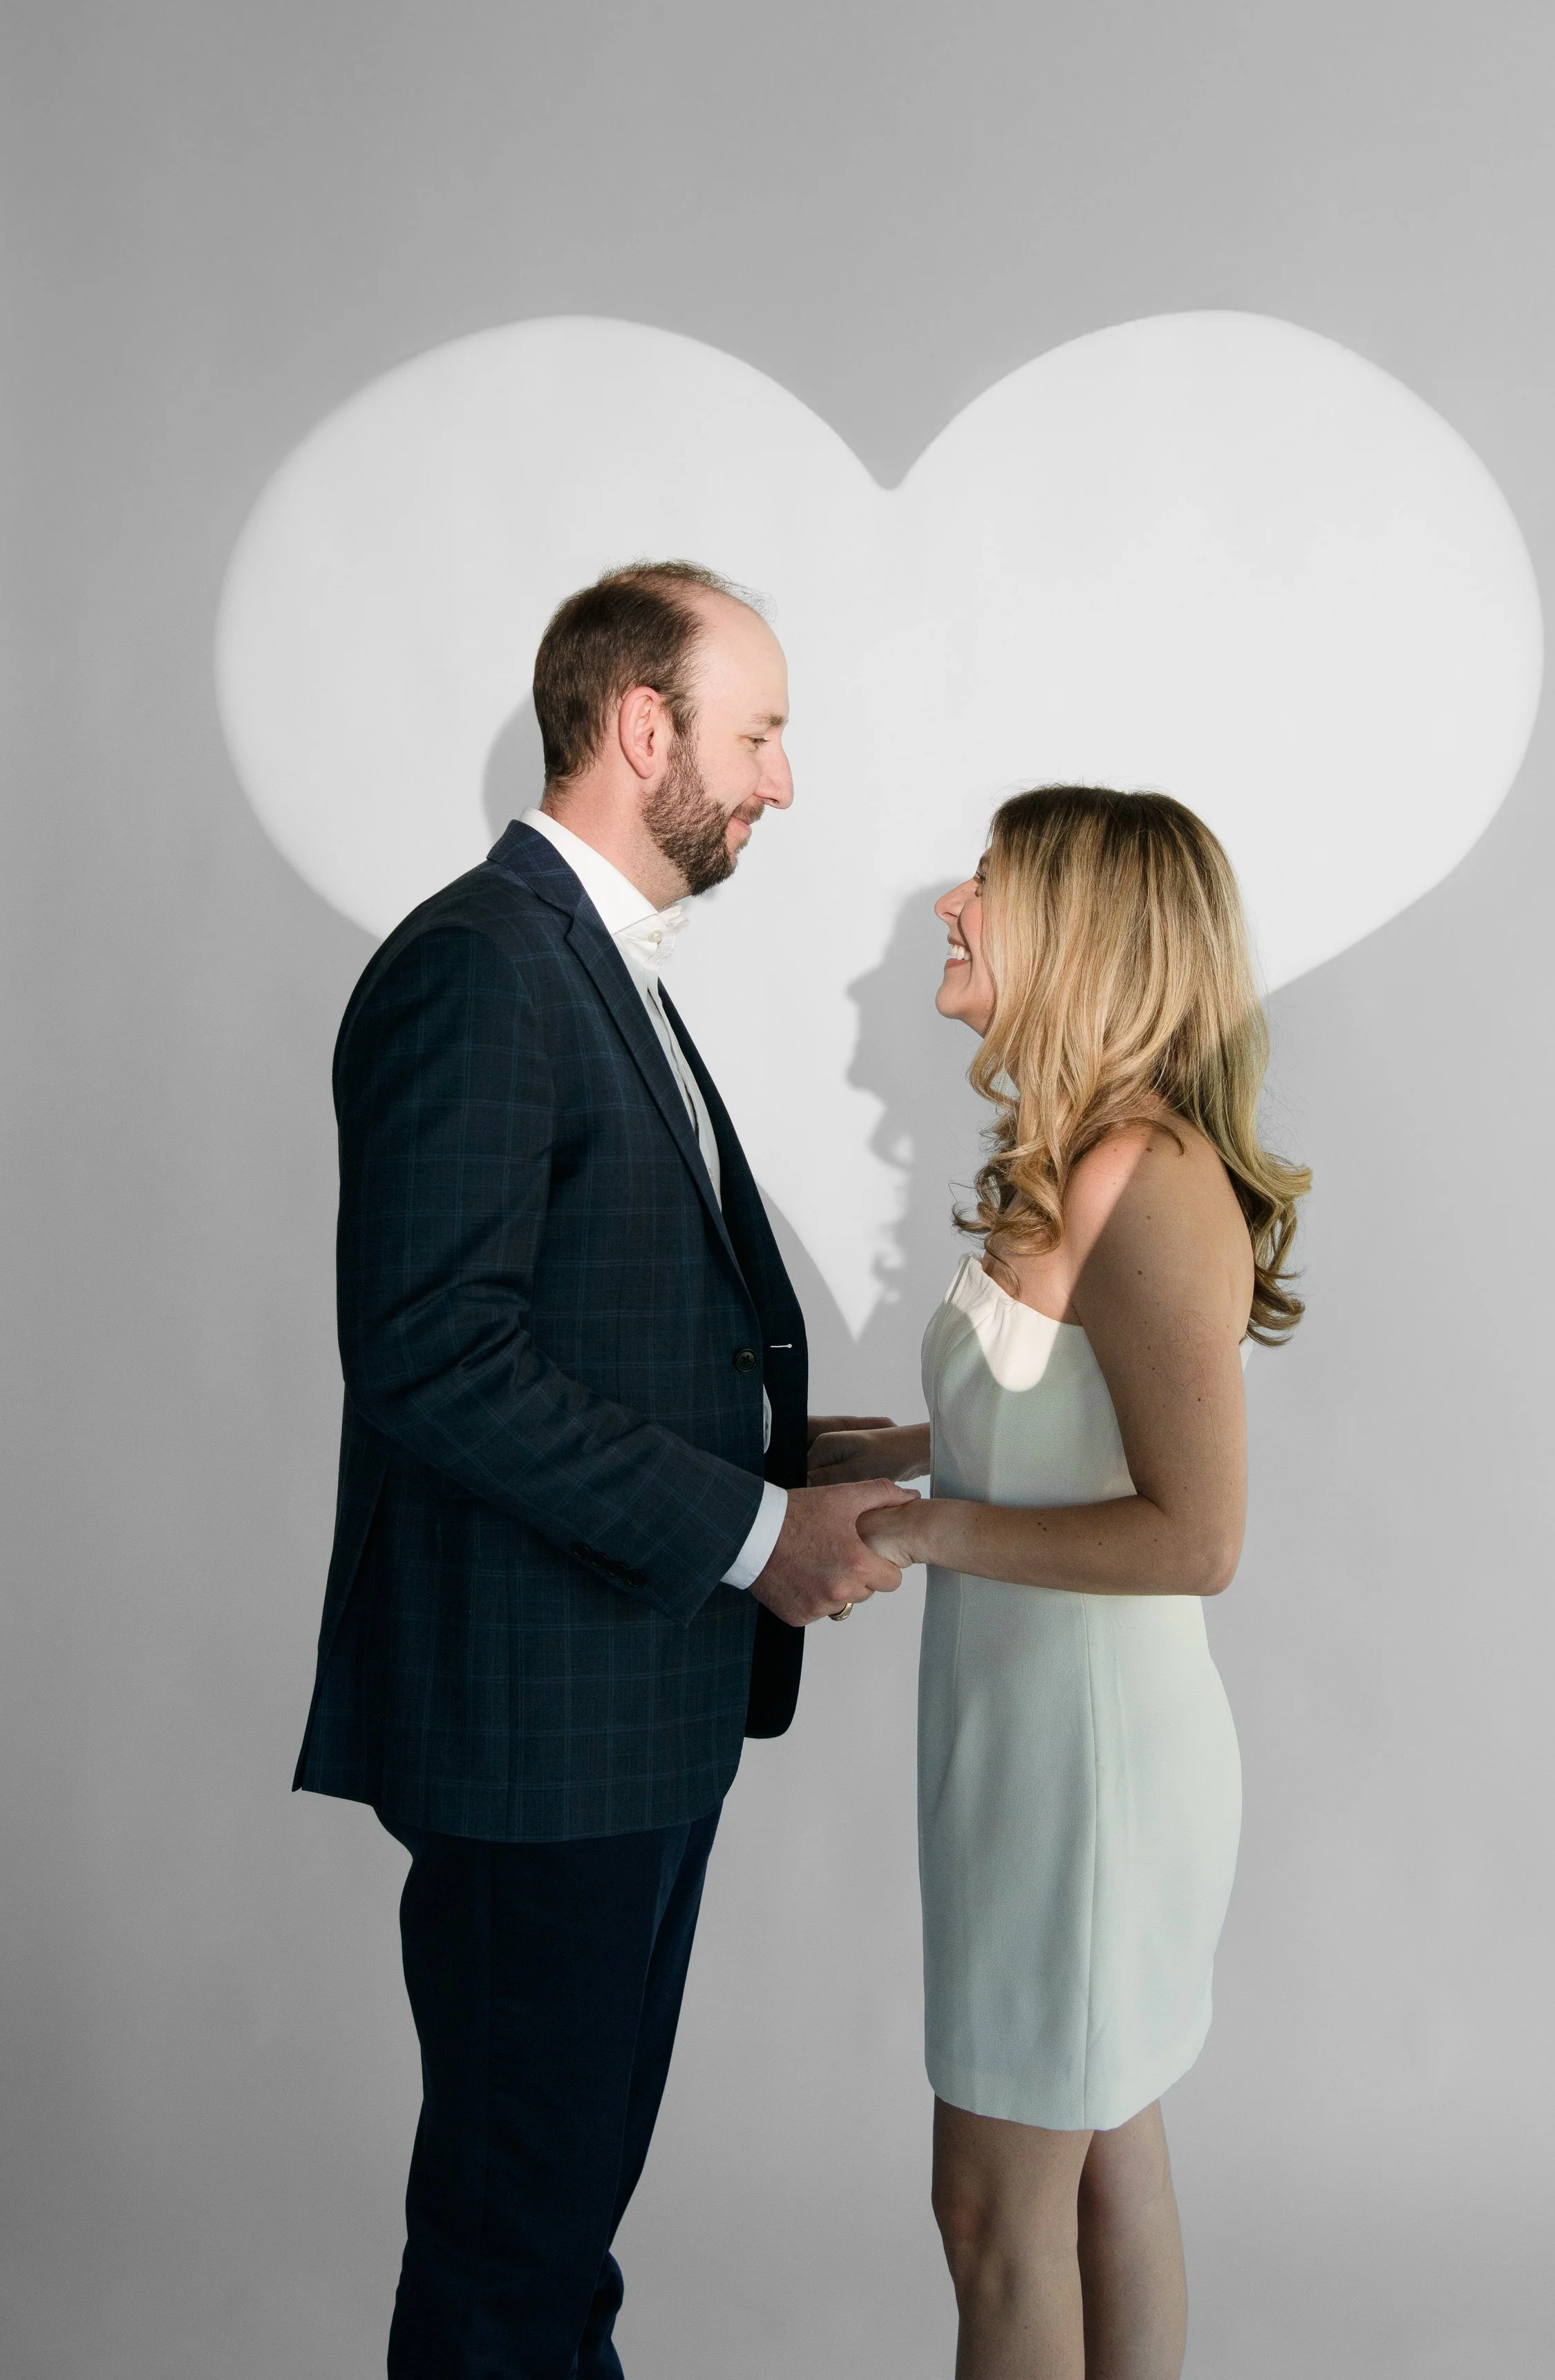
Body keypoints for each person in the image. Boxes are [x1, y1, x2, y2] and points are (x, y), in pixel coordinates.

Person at [293, 561, 912, 2380]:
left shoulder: (586, 962)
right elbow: (433, 1352)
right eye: (759, 733)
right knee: (517, 2238)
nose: (783, 780)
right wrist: (749, 1530)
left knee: (556, 2229)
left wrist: (808, 1455)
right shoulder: (483, 967)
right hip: (539, 1733)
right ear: (641, 730)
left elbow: (598, 1320)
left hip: (627, 1714)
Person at [811, 785, 1310, 2380]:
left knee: (989, 2210)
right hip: (1018, 1749)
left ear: (1084, 933)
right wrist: (869, 1448)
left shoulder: (1146, 1177)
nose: (949, 908)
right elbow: (1043, 1428)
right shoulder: (1074, 1159)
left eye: (982, 884)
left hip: (1086, 1770)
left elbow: (1194, 1535)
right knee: (1098, 2154)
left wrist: (914, 1529)